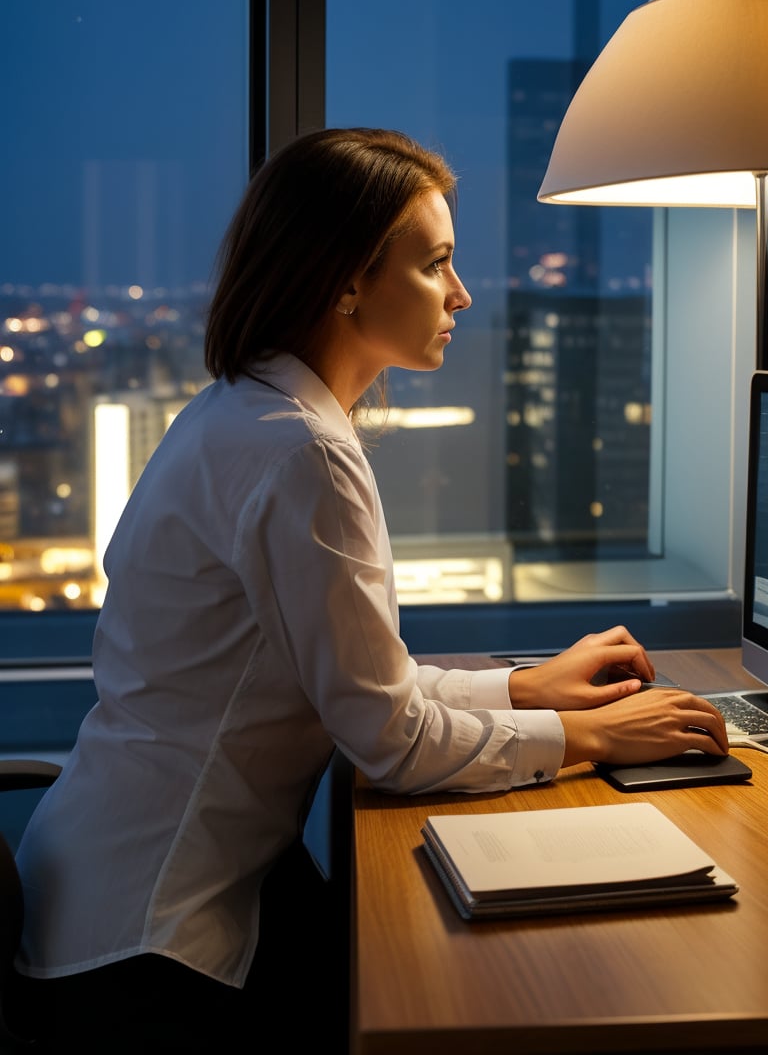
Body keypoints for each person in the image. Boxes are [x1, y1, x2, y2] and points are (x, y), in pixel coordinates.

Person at [9, 127, 728, 1052]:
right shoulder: (300, 451)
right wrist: (589, 734)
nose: (461, 294)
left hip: (115, 891)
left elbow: (349, 679)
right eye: (435, 265)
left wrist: (522, 688)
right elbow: (387, 737)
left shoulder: (250, 412)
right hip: (147, 948)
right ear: (347, 280)